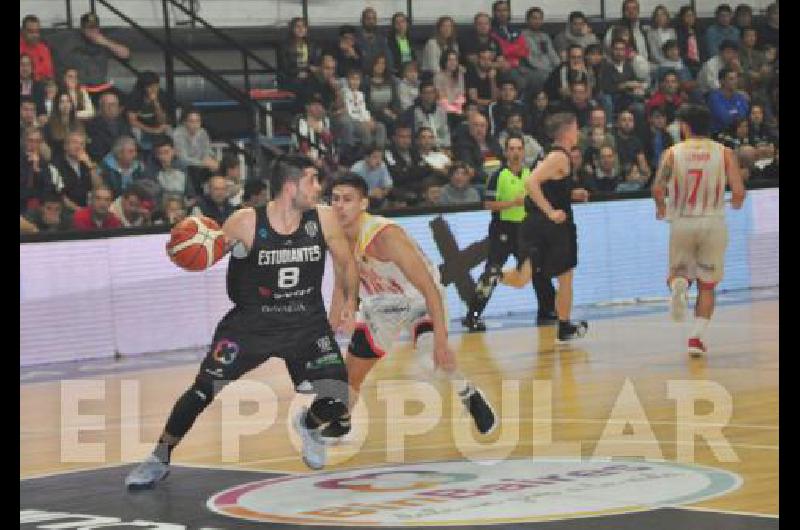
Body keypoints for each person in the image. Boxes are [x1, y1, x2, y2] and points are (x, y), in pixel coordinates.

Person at [124, 155, 359, 487]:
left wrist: (349, 302)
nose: (319, 188)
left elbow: (346, 263)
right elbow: (208, 250)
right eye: (312, 181)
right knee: (203, 390)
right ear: (291, 186)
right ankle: (159, 457)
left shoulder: (323, 218)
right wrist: (189, 246)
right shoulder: (245, 222)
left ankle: (308, 425)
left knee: (339, 397)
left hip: (306, 323)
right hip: (252, 324)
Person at [324, 173, 496, 443]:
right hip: (383, 302)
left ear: (363, 204)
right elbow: (341, 282)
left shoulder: (385, 236)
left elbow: (429, 287)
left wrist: (441, 342)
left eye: (347, 199)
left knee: (432, 355)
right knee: (351, 372)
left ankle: (469, 394)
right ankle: (343, 419)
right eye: (335, 199)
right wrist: (334, 322)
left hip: (418, 297)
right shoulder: (336, 236)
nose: (339, 206)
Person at [651, 104, 745, 356]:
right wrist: (735, 202)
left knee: (678, 272)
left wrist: (661, 207)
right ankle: (695, 338)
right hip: (712, 221)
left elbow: (658, 188)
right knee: (707, 285)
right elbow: (738, 192)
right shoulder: (724, 153)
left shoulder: (672, 153)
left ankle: (680, 284)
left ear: (685, 126)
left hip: (682, 221)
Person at [500, 113, 590, 343]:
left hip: (536, 225)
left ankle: (492, 276)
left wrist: (569, 194)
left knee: (522, 278)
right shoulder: (559, 157)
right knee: (565, 277)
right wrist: (550, 211)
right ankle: (564, 325)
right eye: (575, 127)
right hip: (552, 227)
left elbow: (548, 187)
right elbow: (531, 183)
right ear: (567, 131)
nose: (577, 132)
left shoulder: (550, 155)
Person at [463, 134, 557, 332]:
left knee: (538, 269)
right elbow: (488, 204)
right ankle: (472, 316)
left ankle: (547, 311)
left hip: (525, 229)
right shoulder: (498, 176)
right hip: (503, 229)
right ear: (506, 152)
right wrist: (512, 203)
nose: (515, 152)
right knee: (492, 271)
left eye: (518, 149)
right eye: (511, 149)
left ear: (523, 152)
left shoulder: (531, 175)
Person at [56, 12, 130, 94]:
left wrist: (105, 42)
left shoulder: (104, 41)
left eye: (94, 27)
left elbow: (126, 54)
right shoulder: (72, 41)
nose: (92, 31)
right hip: (79, 88)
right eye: (88, 28)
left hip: (101, 87)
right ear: (82, 28)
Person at [86, 90, 133, 162]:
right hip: (104, 162)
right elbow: (96, 151)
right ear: (101, 107)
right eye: (107, 105)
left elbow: (132, 142)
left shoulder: (124, 123)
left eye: (114, 104)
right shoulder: (92, 125)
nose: (111, 108)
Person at [19, 15, 54, 81]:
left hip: (39, 87)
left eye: (37, 32)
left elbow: (49, 76)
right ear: (23, 32)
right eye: (31, 32)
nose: (35, 35)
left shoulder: (44, 50)